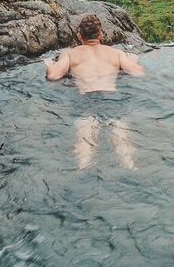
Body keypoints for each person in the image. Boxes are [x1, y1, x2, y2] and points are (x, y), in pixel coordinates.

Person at [45, 15, 144, 169]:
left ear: (79, 36)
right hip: (112, 99)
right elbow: (138, 73)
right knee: (122, 142)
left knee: (85, 144)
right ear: (101, 35)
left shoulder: (71, 53)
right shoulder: (116, 53)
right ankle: (131, 167)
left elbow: (53, 76)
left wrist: (52, 64)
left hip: (87, 99)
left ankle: (82, 169)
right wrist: (131, 61)